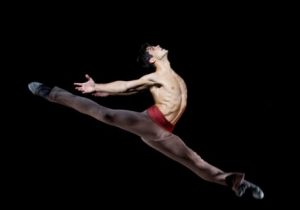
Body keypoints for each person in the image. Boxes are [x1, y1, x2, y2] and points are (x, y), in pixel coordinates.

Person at [28, 43, 264, 199]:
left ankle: (234, 183)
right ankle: (51, 92)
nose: (158, 46)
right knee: (105, 114)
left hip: (162, 132)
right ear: (151, 58)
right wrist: (98, 86)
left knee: (196, 162)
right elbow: (127, 84)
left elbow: (133, 90)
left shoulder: (172, 76)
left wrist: (111, 93)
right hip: (152, 122)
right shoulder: (156, 74)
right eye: (154, 47)